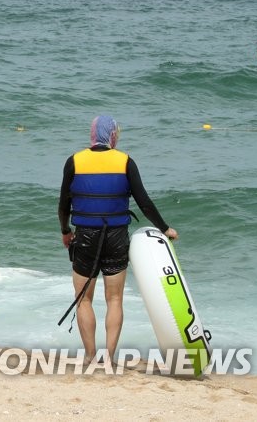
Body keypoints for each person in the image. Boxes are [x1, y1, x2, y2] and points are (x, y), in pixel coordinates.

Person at [58, 115, 178, 366]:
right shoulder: (126, 161)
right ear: (113, 135)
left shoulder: (75, 161)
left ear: (93, 134)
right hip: (115, 236)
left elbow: (63, 204)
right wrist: (164, 228)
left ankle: (90, 356)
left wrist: (65, 231)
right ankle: (109, 357)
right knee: (114, 299)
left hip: (86, 237)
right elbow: (144, 202)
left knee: (84, 299)